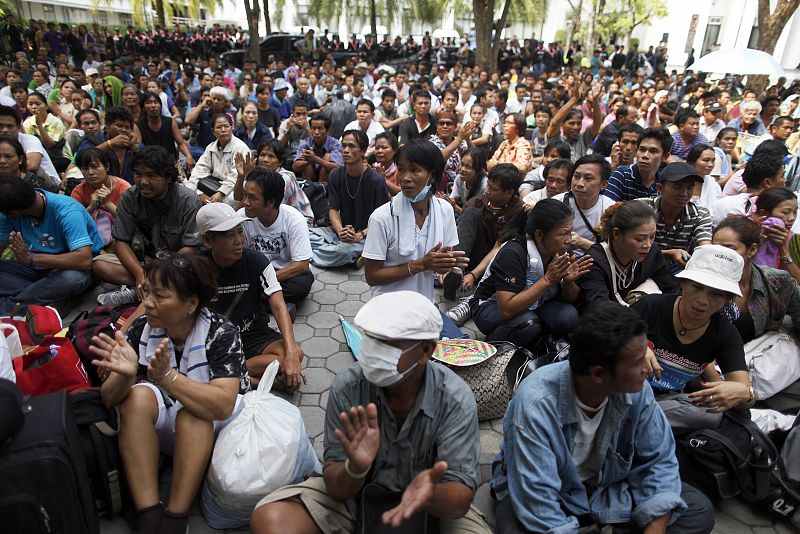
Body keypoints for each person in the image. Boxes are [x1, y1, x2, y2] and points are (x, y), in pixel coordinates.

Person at [251, 291, 492, 534]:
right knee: (271, 520)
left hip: (432, 506)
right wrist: (354, 468)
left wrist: (431, 493)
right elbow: (336, 486)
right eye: (372, 339)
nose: (375, 351)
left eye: (389, 344)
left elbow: (459, 499)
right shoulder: (348, 387)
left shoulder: (454, 398)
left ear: (426, 350)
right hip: (356, 495)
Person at [491, 300, 715, 533]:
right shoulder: (536, 403)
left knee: (698, 511)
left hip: (608, 487)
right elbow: (538, 500)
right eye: (638, 362)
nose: (647, 369)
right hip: (553, 495)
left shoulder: (639, 391)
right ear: (599, 373)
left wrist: (655, 524)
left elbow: (658, 461)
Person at [89, 254, 249, 534]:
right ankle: (148, 513)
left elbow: (223, 405)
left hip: (215, 430)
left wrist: (168, 378)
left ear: (191, 304)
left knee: (194, 414)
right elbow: (108, 399)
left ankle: (176, 517)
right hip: (167, 423)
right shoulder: (141, 329)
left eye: (160, 295)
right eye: (146, 291)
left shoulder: (221, 333)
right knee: (136, 397)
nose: (147, 303)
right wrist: (124, 376)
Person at [631, 245, 753, 432]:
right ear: (683, 283)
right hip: (629, 388)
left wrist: (745, 392)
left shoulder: (725, 333)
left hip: (668, 402)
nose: (703, 300)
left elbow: (741, 387)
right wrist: (634, 346)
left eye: (716, 294)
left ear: (727, 299)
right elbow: (608, 335)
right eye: (697, 287)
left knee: (708, 413)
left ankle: (633, 420)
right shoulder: (651, 306)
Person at [362, 140, 468, 339]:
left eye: (414, 170)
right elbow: (372, 276)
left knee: (459, 348)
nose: (405, 178)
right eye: (401, 170)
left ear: (432, 175)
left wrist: (448, 267)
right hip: (387, 310)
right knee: (407, 363)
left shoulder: (444, 210)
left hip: (424, 307)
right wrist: (420, 265)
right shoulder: (382, 217)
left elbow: (441, 266)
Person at [196, 203, 305, 390]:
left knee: (293, 353)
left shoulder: (256, 260)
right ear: (207, 241)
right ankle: (256, 381)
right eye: (229, 235)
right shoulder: (197, 269)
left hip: (253, 335)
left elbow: (278, 305)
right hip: (216, 341)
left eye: (239, 232)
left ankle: (226, 375)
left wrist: (292, 355)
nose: (238, 240)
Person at [470, 199, 591, 347]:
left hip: (534, 305)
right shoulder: (514, 252)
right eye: (563, 234)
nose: (569, 240)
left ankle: (533, 344)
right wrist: (547, 280)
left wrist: (568, 282)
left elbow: (569, 299)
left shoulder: (562, 250)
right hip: (490, 307)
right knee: (527, 323)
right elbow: (506, 310)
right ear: (539, 235)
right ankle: (490, 348)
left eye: (570, 233)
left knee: (568, 317)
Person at [93, 146, 201, 303]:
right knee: (100, 265)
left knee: (191, 271)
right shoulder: (129, 197)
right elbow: (121, 241)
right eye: (138, 174)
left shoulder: (188, 201)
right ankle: (149, 287)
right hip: (145, 261)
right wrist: (139, 273)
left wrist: (159, 270)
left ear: (168, 178)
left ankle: (141, 291)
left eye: (152, 176)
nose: (143, 182)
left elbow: (191, 248)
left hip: (176, 263)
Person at [713, 215, 800, 410]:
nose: (720, 255)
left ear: (752, 250)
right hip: (716, 371)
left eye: (730, 249)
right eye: (715, 248)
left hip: (762, 367)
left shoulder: (776, 282)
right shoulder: (703, 283)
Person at [0, 172, 103, 312]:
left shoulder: (67, 211)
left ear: (14, 213)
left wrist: (32, 258)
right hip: (39, 270)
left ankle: (10, 307)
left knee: (72, 279)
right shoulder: (8, 214)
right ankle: (47, 297)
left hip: (74, 269)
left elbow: (84, 260)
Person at [309, 130, 389, 268]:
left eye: (351, 146)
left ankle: (317, 254)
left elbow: (384, 221)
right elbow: (333, 210)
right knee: (305, 234)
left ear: (363, 151)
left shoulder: (376, 180)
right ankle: (352, 256)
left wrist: (360, 235)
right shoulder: (335, 174)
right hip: (341, 233)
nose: (346, 150)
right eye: (344, 145)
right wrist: (341, 231)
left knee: (343, 251)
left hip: (366, 235)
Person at [579, 201, 678, 309]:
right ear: (616, 234)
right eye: (639, 239)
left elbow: (671, 291)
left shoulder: (652, 253)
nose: (647, 245)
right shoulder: (595, 260)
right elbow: (598, 308)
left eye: (652, 237)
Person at [239, 168, 314, 305]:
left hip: (284, 273)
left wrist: (265, 280)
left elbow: (302, 265)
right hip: (255, 271)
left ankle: (256, 302)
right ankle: (278, 304)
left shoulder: (294, 219)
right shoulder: (241, 218)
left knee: (301, 285)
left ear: (271, 202)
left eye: (252, 197)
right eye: (245, 196)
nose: (246, 202)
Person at [635, 162, 712, 271]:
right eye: (677, 187)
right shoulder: (641, 208)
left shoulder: (700, 214)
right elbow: (627, 247)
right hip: (640, 265)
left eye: (690, 188)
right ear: (660, 188)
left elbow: (705, 247)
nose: (684, 193)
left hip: (678, 270)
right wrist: (669, 254)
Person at [553, 154, 616, 253]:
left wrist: (583, 243)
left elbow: (617, 251)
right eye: (576, 177)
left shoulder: (611, 210)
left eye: (588, 178)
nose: (579, 184)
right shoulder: (557, 203)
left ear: (603, 184)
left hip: (596, 264)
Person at [185, 114, 251, 205]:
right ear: (213, 131)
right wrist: (189, 190)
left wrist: (221, 193)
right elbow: (200, 170)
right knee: (189, 186)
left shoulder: (240, 148)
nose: (223, 130)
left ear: (231, 128)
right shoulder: (211, 147)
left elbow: (235, 177)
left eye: (226, 126)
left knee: (233, 199)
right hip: (212, 184)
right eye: (219, 127)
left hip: (232, 188)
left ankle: (208, 201)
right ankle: (205, 200)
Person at [711, 149, 786, 226]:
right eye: (782, 176)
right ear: (767, 182)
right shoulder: (778, 210)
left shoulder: (722, 203)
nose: (785, 180)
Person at [604, 127, 671, 201]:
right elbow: (607, 210)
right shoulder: (622, 175)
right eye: (642, 149)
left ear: (665, 156)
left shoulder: (663, 184)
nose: (645, 155)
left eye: (653, 151)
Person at [138, 91, 194, 170]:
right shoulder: (139, 125)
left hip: (170, 162)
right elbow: (138, 148)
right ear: (143, 108)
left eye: (156, 102)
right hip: (150, 164)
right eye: (149, 103)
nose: (153, 106)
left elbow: (181, 143)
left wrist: (188, 156)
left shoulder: (170, 122)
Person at [292, 115, 343, 183]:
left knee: (328, 157)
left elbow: (338, 168)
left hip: (328, 180)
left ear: (327, 130)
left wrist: (316, 159)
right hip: (310, 175)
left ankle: (322, 189)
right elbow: (295, 167)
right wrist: (309, 160)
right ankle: (308, 189)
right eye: (313, 128)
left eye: (320, 128)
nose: (316, 132)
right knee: (305, 158)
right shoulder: (305, 143)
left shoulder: (335, 144)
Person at [444, 147, 488, 217]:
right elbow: (455, 198)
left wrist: (455, 206)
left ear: (479, 170)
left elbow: (476, 218)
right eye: (462, 164)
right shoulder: (459, 179)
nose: (462, 169)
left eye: (468, 167)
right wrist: (446, 200)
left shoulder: (485, 185)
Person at [371, 131, 400, 196]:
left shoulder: (400, 170)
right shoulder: (374, 169)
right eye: (377, 148)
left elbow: (403, 193)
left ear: (395, 150)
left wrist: (384, 179)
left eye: (384, 147)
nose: (379, 151)